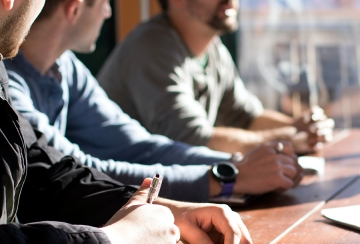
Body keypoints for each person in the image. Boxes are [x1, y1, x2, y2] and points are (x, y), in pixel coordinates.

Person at [0, 0, 252, 244]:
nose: (108, 13)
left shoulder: (33, 67)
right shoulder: (152, 45)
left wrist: (157, 209)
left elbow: (42, 173)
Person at [5, 0, 303, 203]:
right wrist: (227, 177)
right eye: (106, 2)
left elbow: (138, 145)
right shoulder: (9, 85)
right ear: (74, 9)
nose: (109, 12)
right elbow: (79, 171)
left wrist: (233, 164)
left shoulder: (64, 66)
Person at [97, 0, 335, 155]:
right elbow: (193, 139)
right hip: (125, 196)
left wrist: (302, 126)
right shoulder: (151, 46)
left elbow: (246, 116)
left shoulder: (213, 47)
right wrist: (291, 138)